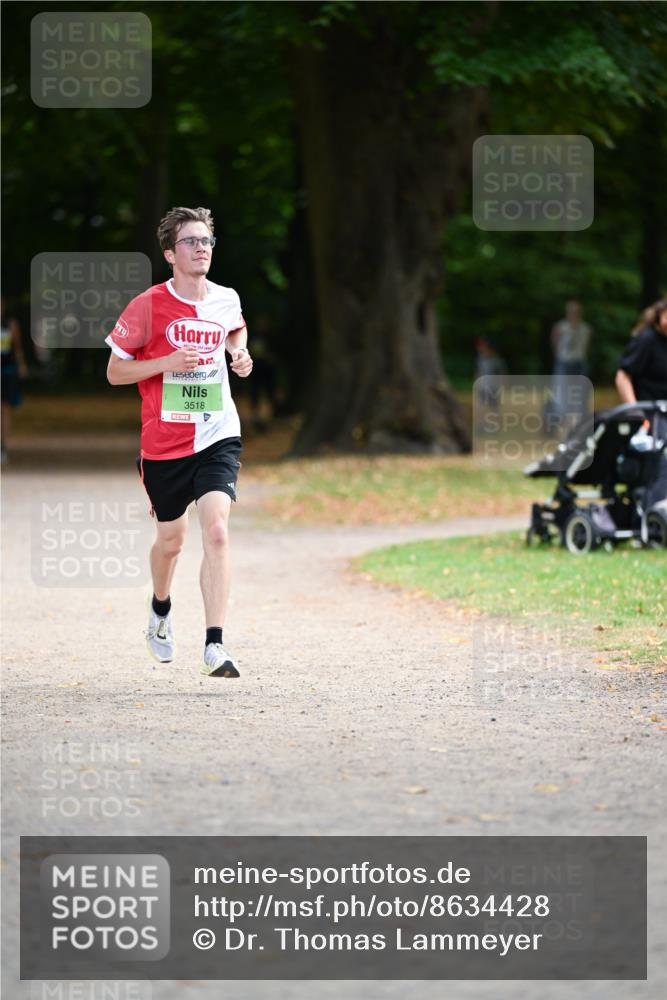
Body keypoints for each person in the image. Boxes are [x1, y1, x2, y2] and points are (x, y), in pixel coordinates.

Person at [106, 206, 253, 678]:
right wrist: (165, 363)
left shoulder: (226, 298)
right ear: (170, 253)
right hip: (165, 444)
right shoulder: (147, 305)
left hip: (217, 433)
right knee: (171, 541)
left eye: (206, 241)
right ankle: (161, 609)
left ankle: (215, 644)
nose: (201, 248)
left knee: (216, 531)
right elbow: (114, 371)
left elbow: (235, 328)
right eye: (191, 241)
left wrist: (239, 352)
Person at [615, 297, 667, 506]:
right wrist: (636, 411)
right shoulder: (646, 340)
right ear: (659, 316)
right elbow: (622, 377)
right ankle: (652, 514)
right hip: (650, 413)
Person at [1, 297, 29, 465]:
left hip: (6, 371)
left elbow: (17, 348)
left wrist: (21, 365)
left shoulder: (10, 325)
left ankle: (3, 446)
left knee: (4, 409)